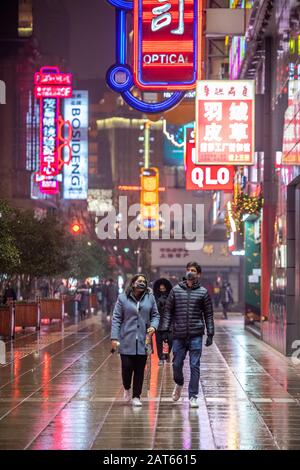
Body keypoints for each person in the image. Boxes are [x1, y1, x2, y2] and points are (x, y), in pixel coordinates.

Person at [161, 262, 214, 408]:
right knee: (176, 364)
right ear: (185, 272)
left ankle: (193, 396)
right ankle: (179, 383)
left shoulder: (203, 292)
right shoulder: (175, 290)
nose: (191, 272)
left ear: (198, 274)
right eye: (189, 270)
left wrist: (210, 333)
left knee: (194, 365)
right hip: (178, 334)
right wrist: (164, 330)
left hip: (196, 334)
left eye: (194, 270)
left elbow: (208, 314)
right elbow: (168, 312)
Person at [111, 274, 160, 407]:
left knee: (140, 370)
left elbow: (155, 315)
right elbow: (116, 318)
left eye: (144, 281)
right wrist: (114, 337)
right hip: (126, 339)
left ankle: (136, 396)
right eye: (139, 281)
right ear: (133, 283)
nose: (142, 283)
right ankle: (127, 387)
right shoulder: (122, 298)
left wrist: (153, 326)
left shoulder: (150, 298)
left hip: (144, 341)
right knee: (127, 368)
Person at [153, 278, 173, 365]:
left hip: (169, 322)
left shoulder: (172, 297)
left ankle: (167, 353)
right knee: (158, 341)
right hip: (159, 322)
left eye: (163, 289)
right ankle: (160, 357)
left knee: (170, 340)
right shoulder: (154, 298)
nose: (162, 291)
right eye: (160, 289)